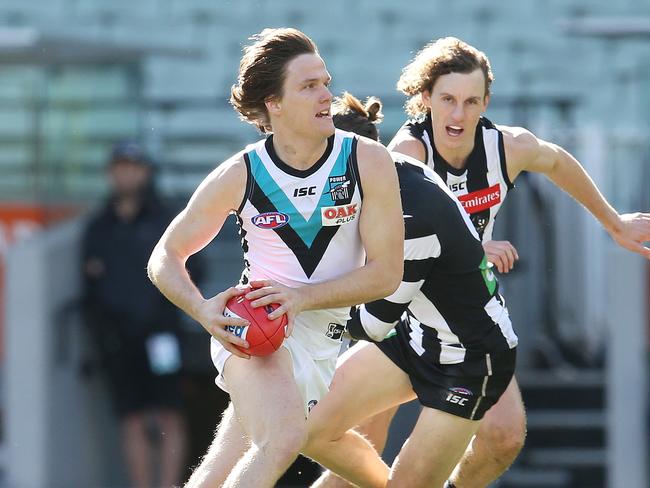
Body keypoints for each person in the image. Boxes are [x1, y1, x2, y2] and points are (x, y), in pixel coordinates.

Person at [319, 37, 650, 488]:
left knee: (504, 438)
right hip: (400, 313)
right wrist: (473, 247)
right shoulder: (407, 155)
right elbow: (395, 241)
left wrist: (612, 222)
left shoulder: (507, 147)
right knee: (355, 442)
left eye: (471, 101)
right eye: (448, 100)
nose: (458, 114)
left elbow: (555, 162)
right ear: (425, 100)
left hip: (465, 317)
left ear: (486, 102)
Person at [146, 28, 403, 488]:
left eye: (325, 82)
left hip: (321, 338)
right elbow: (165, 255)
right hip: (258, 332)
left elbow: (386, 274)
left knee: (219, 469)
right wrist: (203, 309)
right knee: (284, 439)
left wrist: (301, 298)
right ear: (274, 103)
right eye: (309, 87)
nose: (327, 96)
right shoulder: (241, 172)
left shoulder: (367, 160)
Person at [300, 92, 518, 488]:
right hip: (415, 333)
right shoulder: (388, 169)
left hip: (468, 357)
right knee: (307, 430)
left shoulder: (411, 220)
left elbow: (372, 325)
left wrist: (297, 308)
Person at [82, 141, 187, 488]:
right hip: (118, 338)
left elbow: (191, 270)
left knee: (168, 413)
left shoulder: (166, 219)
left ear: (146, 171)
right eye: (119, 166)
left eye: (133, 166)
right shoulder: (99, 226)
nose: (125, 173)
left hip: (162, 334)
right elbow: (90, 283)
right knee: (131, 417)